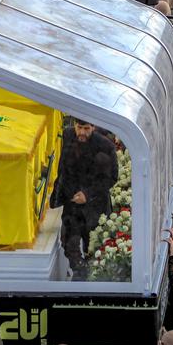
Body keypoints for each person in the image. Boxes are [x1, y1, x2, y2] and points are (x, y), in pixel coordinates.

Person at [52, 118, 118, 279]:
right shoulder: (68, 136)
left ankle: (91, 275)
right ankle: (79, 271)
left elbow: (111, 178)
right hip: (72, 202)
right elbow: (64, 168)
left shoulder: (105, 146)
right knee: (69, 243)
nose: (81, 132)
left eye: (86, 128)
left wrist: (87, 195)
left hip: (95, 205)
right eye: (79, 127)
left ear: (93, 127)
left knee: (93, 245)